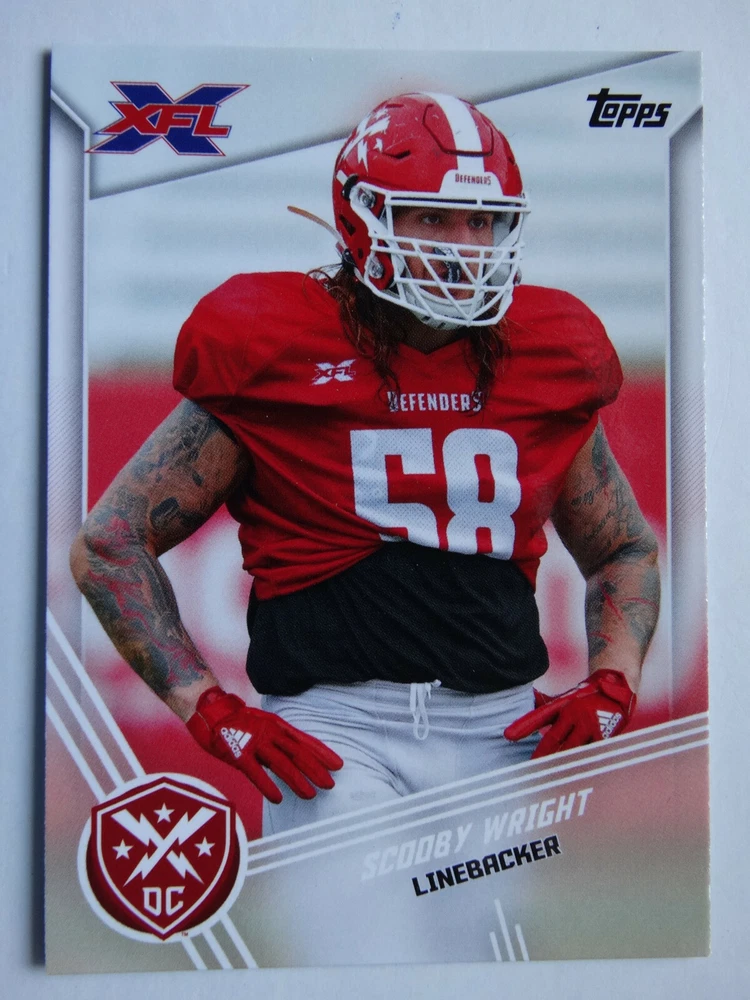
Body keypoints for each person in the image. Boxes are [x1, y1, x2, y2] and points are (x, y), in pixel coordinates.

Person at [70, 92, 660, 834]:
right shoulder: (275, 343)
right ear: (363, 217)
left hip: (503, 729)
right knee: (367, 907)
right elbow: (110, 543)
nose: (464, 246)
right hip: (336, 731)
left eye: (482, 221)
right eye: (433, 218)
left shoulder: (552, 351)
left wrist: (613, 683)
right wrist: (207, 707)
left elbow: (622, 547)